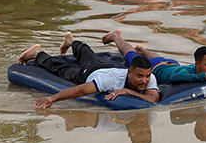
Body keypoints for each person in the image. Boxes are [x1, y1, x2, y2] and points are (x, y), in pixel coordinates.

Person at [18, 32, 160, 109]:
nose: (144, 80)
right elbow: (80, 90)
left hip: (105, 66)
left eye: (147, 76)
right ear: (129, 72)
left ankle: (71, 40)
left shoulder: (149, 77)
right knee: (63, 70)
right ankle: (38, 53)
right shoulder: (110, 81)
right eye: (139, 76)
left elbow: (153, 99)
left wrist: (127, 91)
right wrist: (51, 98)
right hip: (91, 73)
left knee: (88, 55)